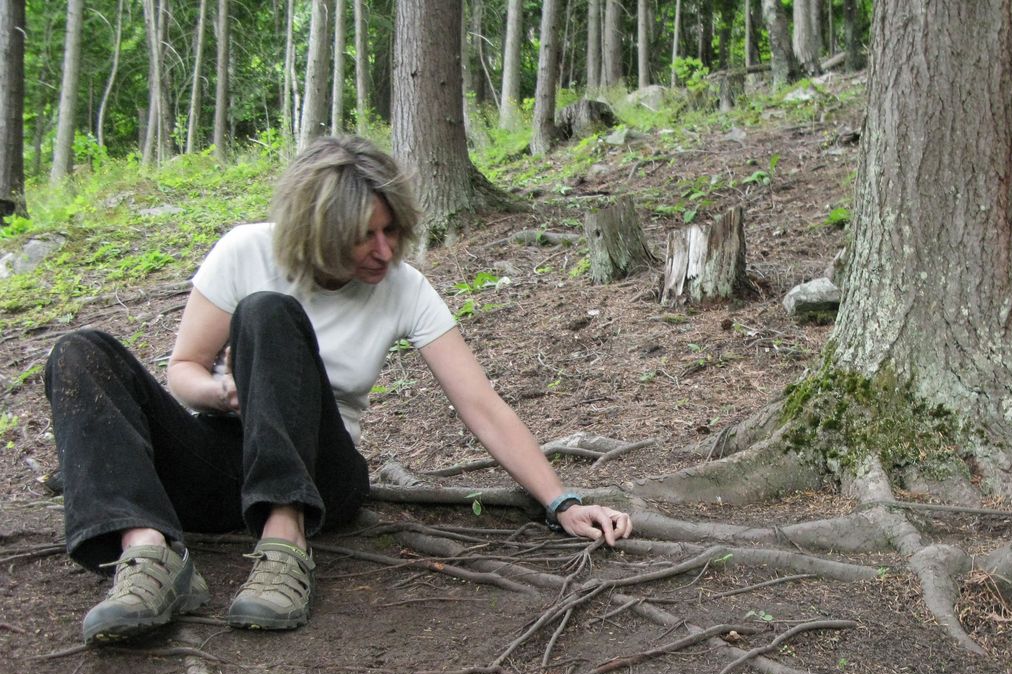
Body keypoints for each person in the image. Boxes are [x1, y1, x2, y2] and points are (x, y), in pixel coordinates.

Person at [45, 135, 632, 646]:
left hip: (322, 474)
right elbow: (184, 371)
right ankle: (149, 555)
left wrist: (562, 502)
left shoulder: (403, 288)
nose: (384, 250)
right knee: (81, 352)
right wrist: (228, 395)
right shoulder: (246, 251)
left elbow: (481, 405)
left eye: (391, 229)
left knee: (267, 313)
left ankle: (284, 544)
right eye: (363, 236)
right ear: (317, 229)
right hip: (224, 459)